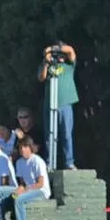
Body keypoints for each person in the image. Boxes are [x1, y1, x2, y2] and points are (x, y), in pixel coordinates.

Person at [37, 41, 79, 169]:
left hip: (65, 104)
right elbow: (41, 77)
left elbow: (70, 50)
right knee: (49, 135)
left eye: (61, 54)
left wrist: (52, 48)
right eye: (57, 55)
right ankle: (50, 162)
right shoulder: (48, 66)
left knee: (66, 134)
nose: (59, 57)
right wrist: (46, 61)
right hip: (50, 105)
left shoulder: (69, 65)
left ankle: (69, 162)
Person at [10, 136, 50, 220]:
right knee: (4, 193)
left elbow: (40, 184)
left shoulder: (37, 161)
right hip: (27, 190)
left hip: (41, 191)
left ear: (30, 148)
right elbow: (22, 183)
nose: (23, 149)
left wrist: (24, 191)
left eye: (25, 147)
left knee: (19, 200)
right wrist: (19, 189)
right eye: (21, 147)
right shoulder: (19, 163)